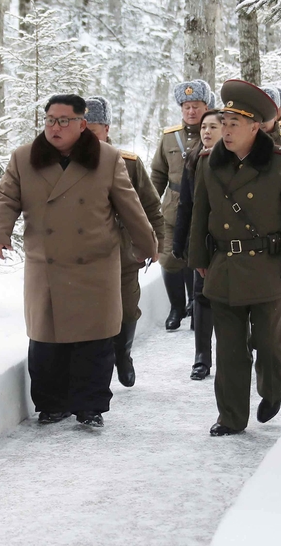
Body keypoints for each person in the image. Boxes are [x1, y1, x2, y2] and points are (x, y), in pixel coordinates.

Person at [0, 94, 158, 428]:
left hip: (95, 263)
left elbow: (129, 204)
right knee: (46, 340)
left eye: (64, 120)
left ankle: (90, 406)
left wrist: (147, 243)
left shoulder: (106, 158)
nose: (56, 126)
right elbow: (6, 197)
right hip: (46, 264)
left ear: (82, 124)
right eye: (50, 119)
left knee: (94, 341)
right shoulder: (24, 158)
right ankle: (51, 403)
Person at [187, 80, 281, 436]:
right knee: (229, 351)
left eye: (233, 124)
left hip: (268, 267)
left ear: (255, 126)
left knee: (271, 347)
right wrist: (198, 257)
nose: (224, 131)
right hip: (224, 266)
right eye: (223, 123)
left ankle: (272, 392)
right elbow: (200, 214)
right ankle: (230, 416)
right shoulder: (209, 163)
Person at [84, 96, 164, 388]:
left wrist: (156, 245)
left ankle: (123, 353)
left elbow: (151, 206)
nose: (87, 137)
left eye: (93, 131)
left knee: (127, 309)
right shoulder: (70, 165)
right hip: (87, 257)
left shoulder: (128, 164)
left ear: (106, 129)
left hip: (124, 255)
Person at [151, 80, 211, 331]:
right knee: (170, 261)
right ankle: (176, 308)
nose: (191, 111)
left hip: (204, 209)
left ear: (206, 106)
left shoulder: (213, 132)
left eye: (196, 106)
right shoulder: (169, 138)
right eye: (186, 106)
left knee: (200, 259)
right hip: (174, 209)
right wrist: (150, 207)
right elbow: (157, 175)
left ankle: (197, 308)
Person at [172, 108, 224, 380]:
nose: (206, 131)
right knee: (201, 296)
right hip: (202, 240)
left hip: (230, 241)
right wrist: (180, 241)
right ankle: (202, 357)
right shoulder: (193, 158)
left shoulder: (237, 159)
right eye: (204, 127)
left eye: (213, 127)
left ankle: (238, 352)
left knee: (233, 300)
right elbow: (186, 204)